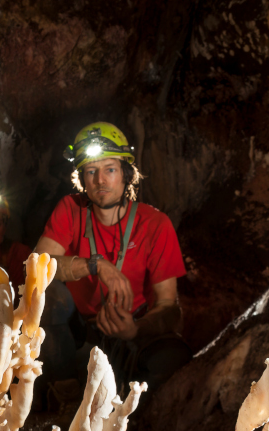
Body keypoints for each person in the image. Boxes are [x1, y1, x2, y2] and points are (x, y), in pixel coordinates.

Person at [33, 121, 192, 394]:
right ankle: (60, 393)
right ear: (82, 178)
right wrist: (95, 264)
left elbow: (169, 306)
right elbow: (37, 265)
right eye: (91, 171)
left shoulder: (154, 224)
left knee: (172, 358)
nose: (100, 180)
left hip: (135, 327)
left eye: (110, 170)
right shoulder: (71, 209)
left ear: (126, 174)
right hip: (83, 330)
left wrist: (135, 329)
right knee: (46, 297)